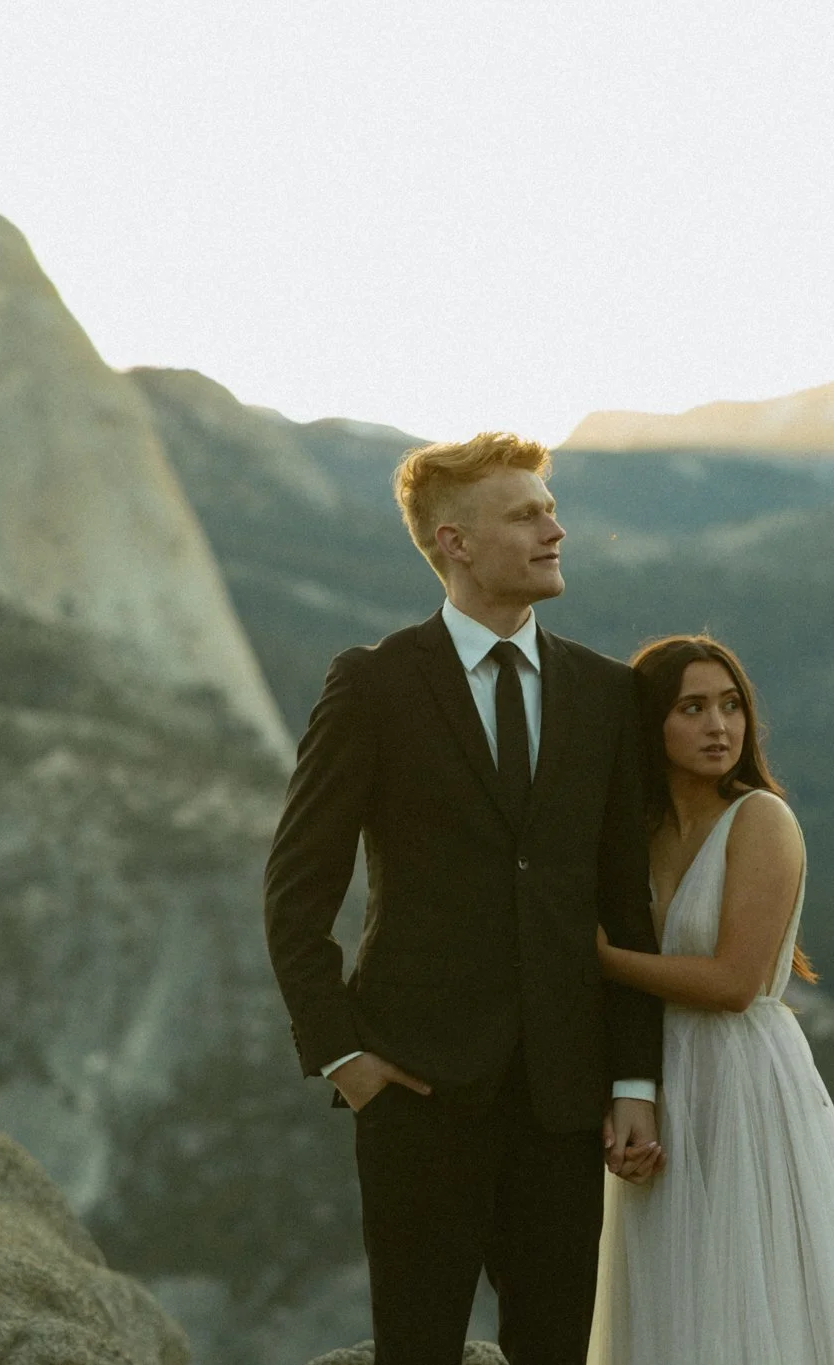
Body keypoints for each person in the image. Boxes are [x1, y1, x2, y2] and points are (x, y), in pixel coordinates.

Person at [264, 432, 666, 1365]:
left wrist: (634, 1079)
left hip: (565, 1098)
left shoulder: (606, 696)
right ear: (455, 540)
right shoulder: (373, 684)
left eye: (550, 509)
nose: (555, 529)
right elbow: (296, 888)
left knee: (556, 1348)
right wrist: (342, 1053)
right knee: (417, 1346)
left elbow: (626, 902)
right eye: (526, 514)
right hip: (415, 1090)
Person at [588, 635, 834, 1365]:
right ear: (652, 724)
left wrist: (605, 959)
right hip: (664, 1079)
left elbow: (735, 981)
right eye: (693, 707)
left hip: (744, 1081)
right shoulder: (635, 836)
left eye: (732, 705)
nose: (720, 726)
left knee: (757, 1284)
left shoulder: (762, 820)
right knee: (673, 1291)